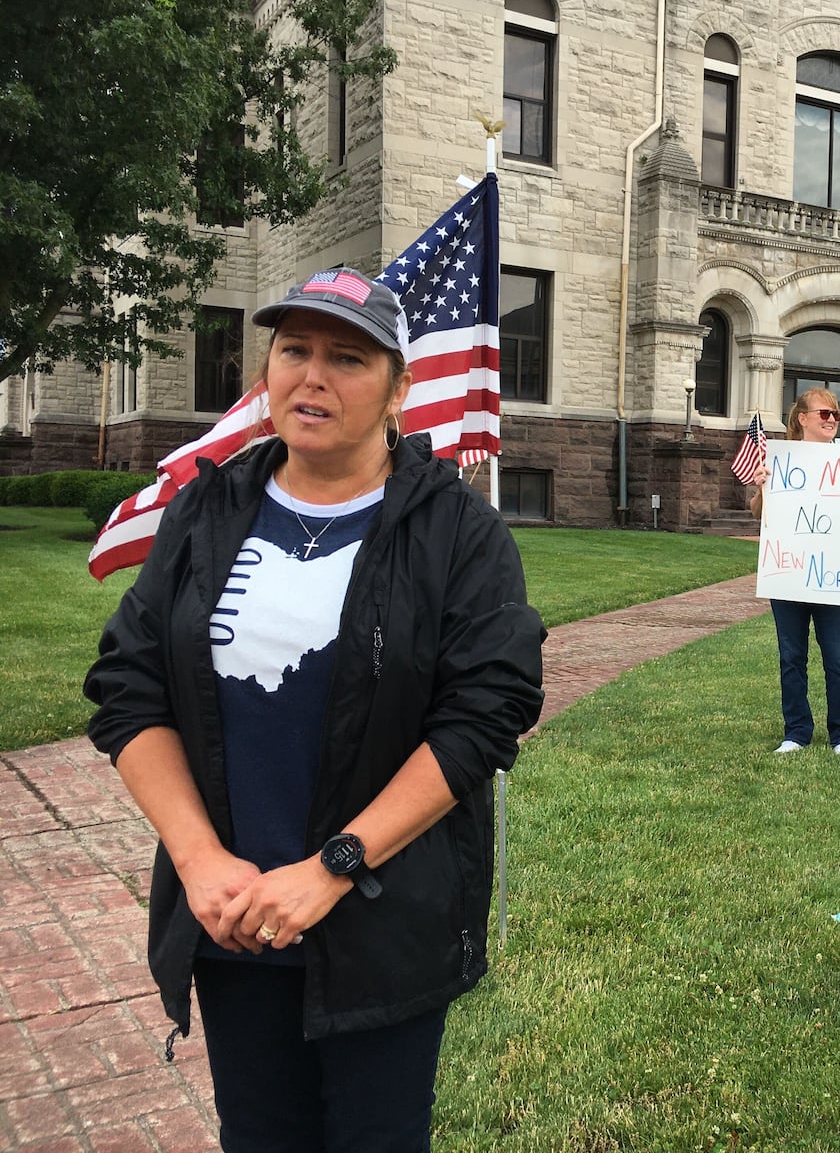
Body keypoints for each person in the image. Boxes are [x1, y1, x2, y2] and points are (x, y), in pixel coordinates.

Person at [83, 269, 546, 1151]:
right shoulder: (209, 509)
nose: (314, 376)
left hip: (383, 923)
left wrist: (332, 868)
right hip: (234, 919)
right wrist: (200, 861)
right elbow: (128, 685)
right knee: (258, 1137)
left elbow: (484, 716)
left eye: (348, 357)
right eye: (294, 350)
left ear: (399, 388)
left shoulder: (457, 531)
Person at [746, 388, 840, 760]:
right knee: (791, 657)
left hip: (836, 579)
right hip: (790, 574)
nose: (831, 420)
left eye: (836, 416)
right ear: (802, 418)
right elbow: (756, 512)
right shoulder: (779, 461)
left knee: (838, 658)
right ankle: (796, 731)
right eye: (824, 414)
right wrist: (764, 487)